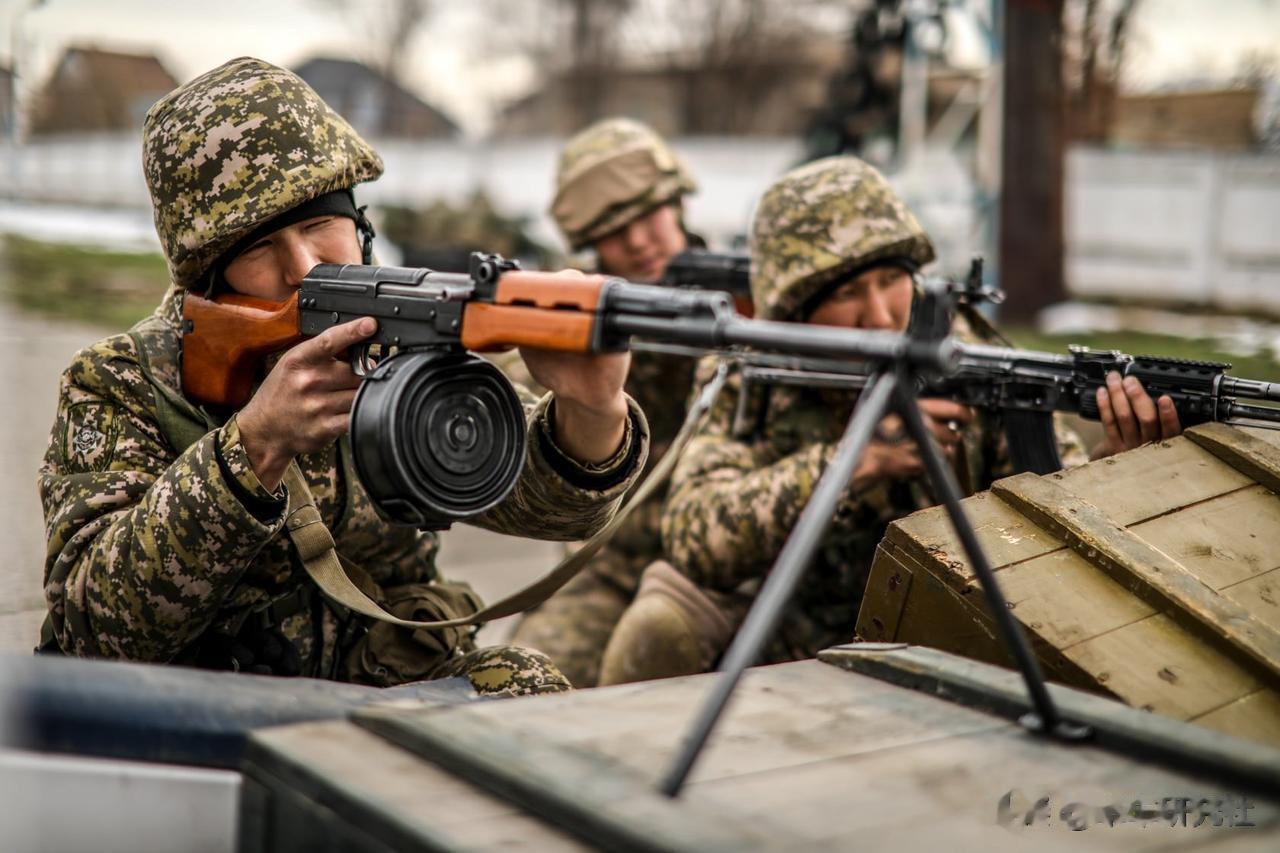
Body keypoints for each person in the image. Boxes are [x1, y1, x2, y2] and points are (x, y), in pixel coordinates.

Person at [37, 58, 649, 696]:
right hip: (207, 703)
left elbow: (538, 504)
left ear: (360, 224)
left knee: (526, 686)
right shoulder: (123, 383)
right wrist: (251, 450)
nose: (302, 266)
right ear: (206, 276)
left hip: (386, 682)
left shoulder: (397, 331)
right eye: (256, 247)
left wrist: (592, 410)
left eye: (318, 225)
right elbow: (93, 628)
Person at [598, 155, 1182, 680]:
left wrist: (1112, 473)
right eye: (848, 293)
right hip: (786, 626)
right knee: (657, 625)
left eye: (890, 282)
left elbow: (1053, 513)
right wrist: (855, 462)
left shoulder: (975, 361)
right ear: (794, 311)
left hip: (947, 628)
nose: (879, 315)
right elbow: (694, 533)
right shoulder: (758, 373)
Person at [505, 118, 707, 687]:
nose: (638, 241)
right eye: (614, 231)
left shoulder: (755, 297)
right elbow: (518, 389)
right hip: (612, 566)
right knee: (525, 686)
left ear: (677, 203)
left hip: (724, 572)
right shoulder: (585, 313)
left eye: (648, 215)